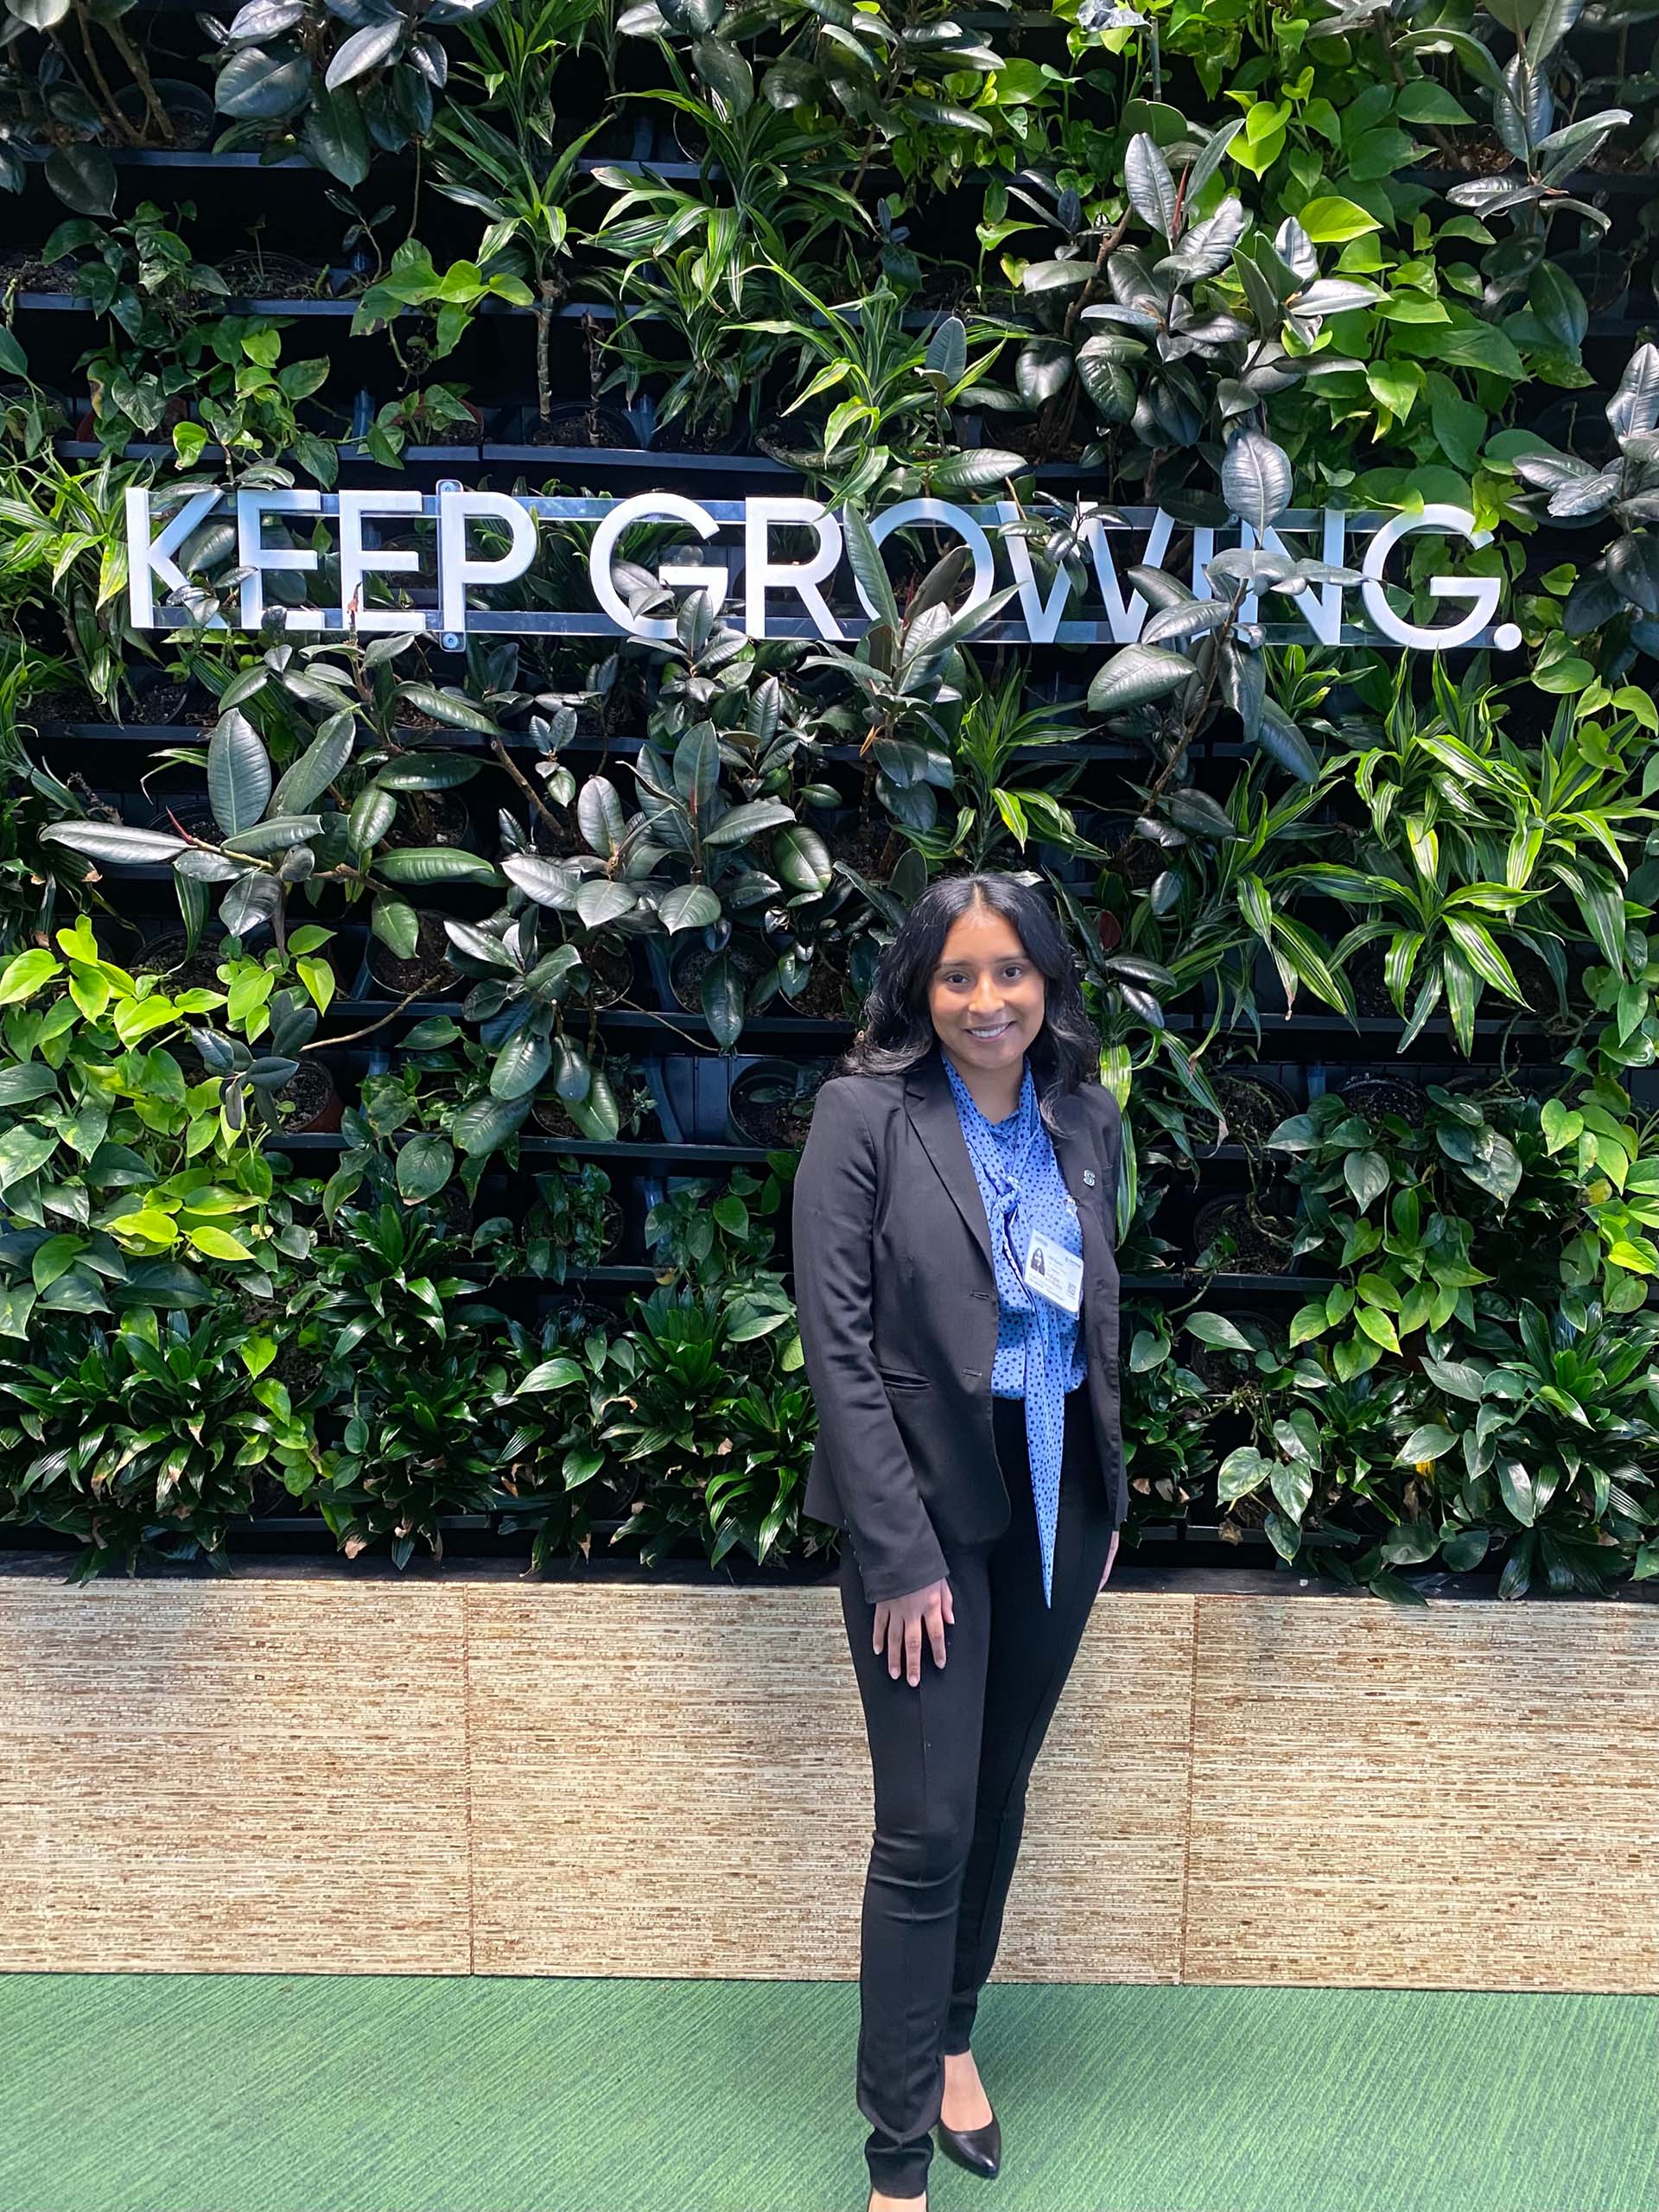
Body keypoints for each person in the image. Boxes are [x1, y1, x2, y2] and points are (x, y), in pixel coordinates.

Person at [791, 869, 1126, 2212]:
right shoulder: (864, 1117)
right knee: (925, 1830)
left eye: (1011, 973)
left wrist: (1109, 1488)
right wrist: (898, 1551)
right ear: (919, 990)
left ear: (1047, 982)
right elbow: (840, 1347)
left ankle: (952, 2038)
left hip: (1058, 1498)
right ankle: (893, 2167)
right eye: (959, 976)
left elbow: (1098, 1312)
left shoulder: (1085, 1113)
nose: (988, 1002)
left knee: (996, 1800)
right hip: (924, 1506)